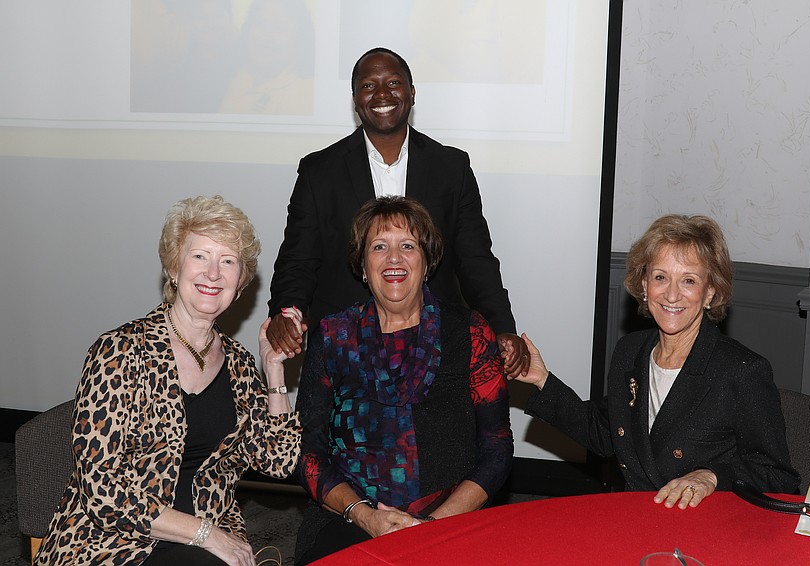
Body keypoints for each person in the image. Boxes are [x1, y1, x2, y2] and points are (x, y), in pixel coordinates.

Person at [35, 196, 301, 565]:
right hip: (112, 540)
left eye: (228, 261)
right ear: (174, 269)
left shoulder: (239, 364)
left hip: (208, 533)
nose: (213, 273)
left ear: (240, 282)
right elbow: (101, 489)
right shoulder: (120, 350)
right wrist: (205, 535)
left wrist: (273, 370)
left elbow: (278, 461)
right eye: (200, 256)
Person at [266, 46, 529, 377]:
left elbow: (475, 260)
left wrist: (501, 327)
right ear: (355, 99)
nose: (381, 94)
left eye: (393, 83)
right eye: (367, 85)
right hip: (345, 352)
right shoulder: (319, 171)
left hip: (436, 349)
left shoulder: (452, 167)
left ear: (412, 93)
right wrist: (286, 313)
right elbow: (298, 260)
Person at [514, 214, 800, 509]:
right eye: (660, 277)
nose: (672, 294)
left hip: (703, 533)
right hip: (635, 518)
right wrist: (542, 379)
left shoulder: (741, 371)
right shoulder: (630, 351)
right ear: (644, 283)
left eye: (688, 280)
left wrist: (712, 476)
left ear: (709, 293)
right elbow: (606, 435)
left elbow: (778, 476)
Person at [293, 197, 513, 564]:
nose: (393, 258)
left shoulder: (470, 332)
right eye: (379, 247)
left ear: (426, 262)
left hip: (450, 518)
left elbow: (496, 449)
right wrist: (366, 516)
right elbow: (307, 453)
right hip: (353, 517)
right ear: (363, 266)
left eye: (407, 246)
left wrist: (433, 525)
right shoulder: (333, 336)